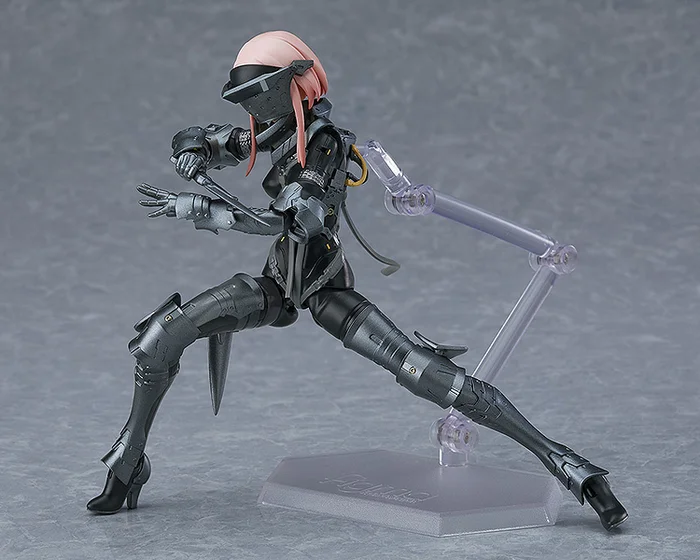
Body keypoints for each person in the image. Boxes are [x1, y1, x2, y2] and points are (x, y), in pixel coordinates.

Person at [87, 31, 627, 531]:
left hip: (325, 287)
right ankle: (129, 462)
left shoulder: (325, 145)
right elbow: (204, 138)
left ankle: (565, 462)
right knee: (161, 336)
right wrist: (191, 151)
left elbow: (289, 221)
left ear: (288, 85)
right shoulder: (273, 131)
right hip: (277, 283)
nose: (250, 109)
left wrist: (200, 207)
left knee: (427, 374)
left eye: (256, 95)